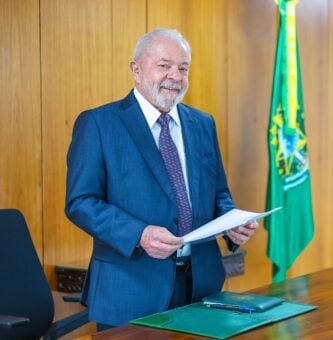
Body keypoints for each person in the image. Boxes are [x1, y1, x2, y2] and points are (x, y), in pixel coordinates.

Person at [65, 28, 258, 330]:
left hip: (201, 287)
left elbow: (218, 193)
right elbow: (81, 202)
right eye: (164, 65)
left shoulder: (202, 124)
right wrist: (139, 234)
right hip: (130, 289)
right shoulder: (99, 124)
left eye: (183, 68)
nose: (175, 76)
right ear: (136, 70)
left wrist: (232, 222)